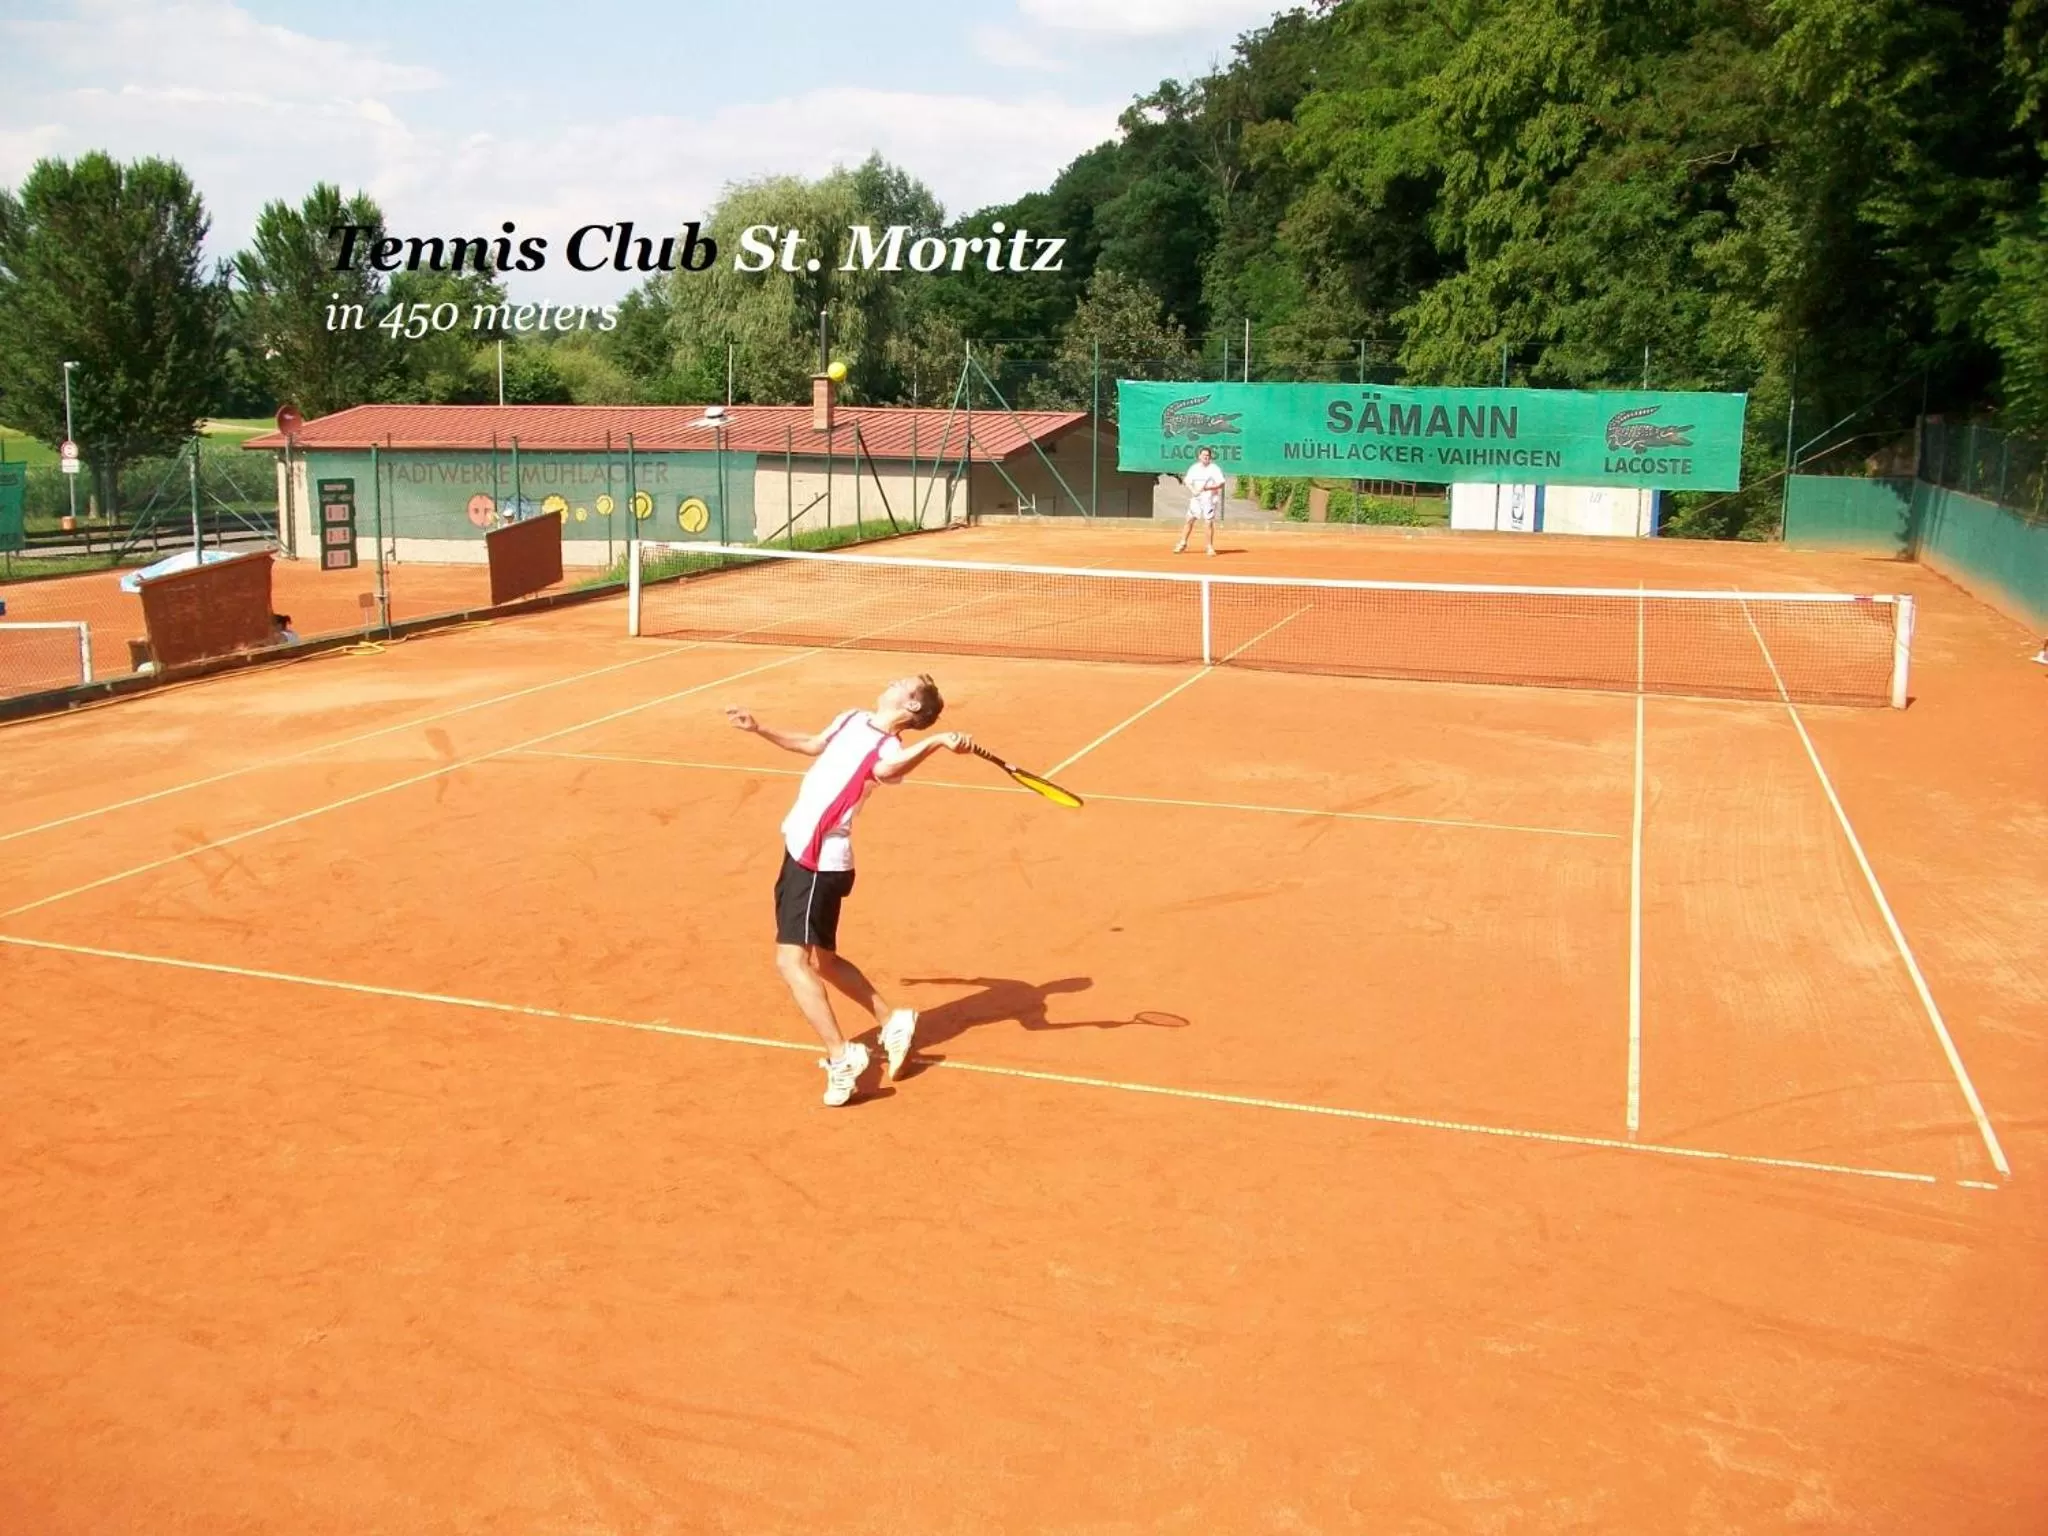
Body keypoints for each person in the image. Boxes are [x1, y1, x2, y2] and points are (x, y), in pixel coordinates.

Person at [726, 674, 973, 1105]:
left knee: (790, 962)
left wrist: (933, 745)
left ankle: (842, 1057)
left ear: (912, 708)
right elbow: (812, 744)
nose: (892, 682)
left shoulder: (890, 750)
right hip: (800, 846)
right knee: (824, 961)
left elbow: (885, 770)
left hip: (819, 859)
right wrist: (761, 727)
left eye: (904, 684)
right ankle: (892, 1021)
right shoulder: (851, 719)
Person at [1176, 446, 1226, 556]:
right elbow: (1187, 481)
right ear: (1199, 456)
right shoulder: (1194, 468)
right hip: (1196, 498)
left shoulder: (1214, 469)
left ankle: (1209, 547)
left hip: (1209, 500)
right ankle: (1183, 543)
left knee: (1208, 522)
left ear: (1210, 457)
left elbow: (1221, 484)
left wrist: (1208, 488)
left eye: (1208, 456)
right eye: (1204, 455)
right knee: (1189, 520)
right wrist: (1193, 490)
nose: (1206, 457)